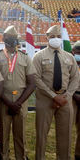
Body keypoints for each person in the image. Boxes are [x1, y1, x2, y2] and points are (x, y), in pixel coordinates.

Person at [33, 25, 79, 160]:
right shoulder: (38, 56)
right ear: (46, 37)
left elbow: (75, 78)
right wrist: (53, 96)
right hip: (45, 99)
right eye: (52, 36)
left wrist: (67, 96)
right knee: (41, 134)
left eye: (58, 37)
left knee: (66, 134)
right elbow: (36, 78)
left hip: (65, 99)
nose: (56, 39)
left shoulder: (69, 57)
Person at [0, 26, 36, 160]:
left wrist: (18, 103)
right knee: (3, 133)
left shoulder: (25, 58)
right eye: (8, 37)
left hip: (21, 100)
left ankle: (20, 157)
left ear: (17, 39)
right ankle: (4, 157)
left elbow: (32, 83)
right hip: (3, 100)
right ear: (3, 38)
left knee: (20, 134)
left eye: (14, 38)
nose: (11, 40)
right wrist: (9, 103)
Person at [72, 41, 80, 160]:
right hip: (72, 98)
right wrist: (74, 94)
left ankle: (78, 154)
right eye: (78, 52)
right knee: (66, 128)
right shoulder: (68, 63)